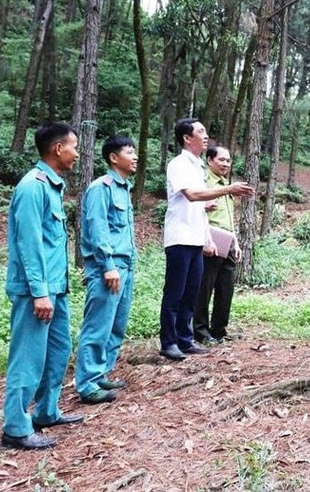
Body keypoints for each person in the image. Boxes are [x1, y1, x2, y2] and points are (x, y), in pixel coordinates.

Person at [1, 122, 82, 450]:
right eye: (74, 146)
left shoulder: (52, 186)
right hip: (38, 292)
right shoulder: (32, 187)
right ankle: (16, 428)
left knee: (60, 349)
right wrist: (39, 292)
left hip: (55, 289)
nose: (77, 153)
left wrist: (53, 290)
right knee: (28, 357)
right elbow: (29, 245)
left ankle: (46, 411)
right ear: (58, 148)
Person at [159, 118, 255, 361]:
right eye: (200, 132)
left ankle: (185, 339)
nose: (205, 136)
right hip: (179, 238)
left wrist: (207, 238)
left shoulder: (198, 167)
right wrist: (227, 189)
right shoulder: (179, 164)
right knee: (175, 293)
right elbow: (191, 195)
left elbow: (200, 207)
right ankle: (168, 342)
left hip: (195, 239)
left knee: (192, 293)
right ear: (186, 138)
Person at [75, 136, 138, 404]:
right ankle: (87, 384)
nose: (135, 156)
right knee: (97, 325)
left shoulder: (124, 188)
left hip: (126, 265)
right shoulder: (102, 187)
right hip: (107, 269)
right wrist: (108, 266)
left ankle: (101, 373)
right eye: (129, 152)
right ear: (114, 158)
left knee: (116, 325)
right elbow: (97, 228)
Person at [194, 145, 245, 344]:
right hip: (210, 240)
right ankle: (200, 331)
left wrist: (237, 243)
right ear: (209, 161)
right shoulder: (203, 182)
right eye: (221, 160)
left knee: (226, 288)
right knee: (204, 287)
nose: (225, 164)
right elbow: (195, 210)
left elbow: (229, 218)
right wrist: (206, 240)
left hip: (229, 242)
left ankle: (219, 329)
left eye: (228, 160)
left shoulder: (227, 184)